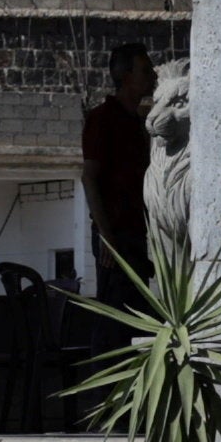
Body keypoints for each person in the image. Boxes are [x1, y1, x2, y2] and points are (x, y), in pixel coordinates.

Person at [81, 41, 154, 283]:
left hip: (136, 232)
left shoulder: (139, 123)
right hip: (115, 235)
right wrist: (106, 236)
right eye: (144, 70)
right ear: (126, 75)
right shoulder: (103, 119)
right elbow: (89, 177)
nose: (152, 76)